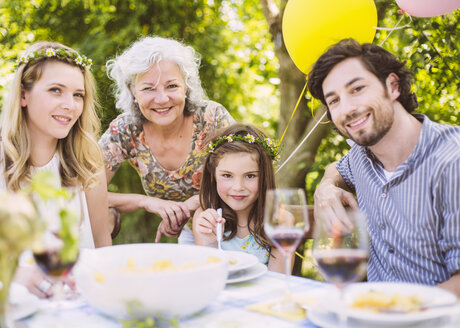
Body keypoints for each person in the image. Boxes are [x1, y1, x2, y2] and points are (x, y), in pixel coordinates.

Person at [307, 39, 460, 296]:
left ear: (392, 86)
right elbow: (337, 168)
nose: (347, 109)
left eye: (357, 89)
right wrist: (326, 186)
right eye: (334, 101)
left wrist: (394, 314)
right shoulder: (360, 156)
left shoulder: (452, 161)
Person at [0, 41, 112, 297]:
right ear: (23, 95)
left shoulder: (88, 160)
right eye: (56, 90)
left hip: (79, 309)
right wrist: (16, 274)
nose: (70, 105)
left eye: (78, 94)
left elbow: (103, 249)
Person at [100, 36, 234, 242]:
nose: (161, 99)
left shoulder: (212, 118)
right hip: (194, 235)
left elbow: (248, 179)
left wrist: (191, 205)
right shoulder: (126, 129)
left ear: (186, 87)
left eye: (171, 86)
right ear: (133, 92)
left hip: (236, 224)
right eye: (148, 88)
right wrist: (146, 202)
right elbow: (82, 193)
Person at [192, 124, 287, 273]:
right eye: (227, 176)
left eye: (250, 176)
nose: (238, 187)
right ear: (213, 175)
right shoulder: (205, 217)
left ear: (264, 176)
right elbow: (209, 276)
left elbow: (279, 280)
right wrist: (210, 241)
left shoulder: (280, 221)